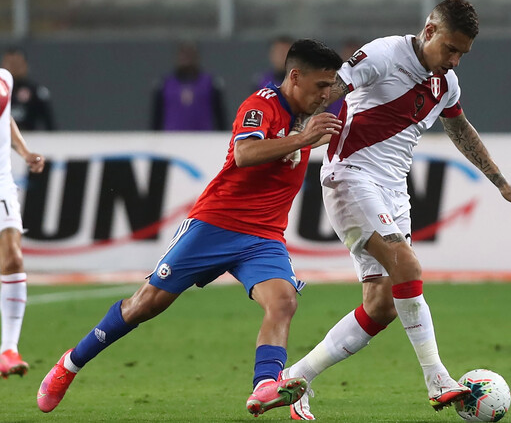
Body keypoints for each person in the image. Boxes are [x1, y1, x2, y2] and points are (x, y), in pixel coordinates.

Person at [36, 39, 344, 417]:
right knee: (143, 306)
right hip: (215, 225)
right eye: (321, 87)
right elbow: (245, 154)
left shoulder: (311, 106)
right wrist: (304, 138)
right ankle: (70, 364)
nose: (327, 95)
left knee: (283, 302)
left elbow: (356, 84)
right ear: (294, 76)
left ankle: (264, 386)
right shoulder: (261, 105)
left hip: (264, 237)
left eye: (331, 87)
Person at [283, 0, 511, 420]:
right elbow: (333, 88)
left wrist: (501, 183)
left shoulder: (447, 84)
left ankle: (298, 378)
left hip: (392, 191)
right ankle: (437, 377)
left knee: (382, 304)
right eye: (451, 50)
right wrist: (296, 135)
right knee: (408, 267)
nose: (455, 61)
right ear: (429, 31)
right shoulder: (384, 54)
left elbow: (459, 129)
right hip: (351, 175)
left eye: (463, 54)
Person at [0, 68, 46, 378]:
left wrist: (25, 151)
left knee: (14, 258)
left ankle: (8, 349)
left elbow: (6, 119)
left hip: (1, 182)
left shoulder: (4, 78)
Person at [151, 41, 228, 131]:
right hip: (171, 140)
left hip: (204, 140)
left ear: (197, 57)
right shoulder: (164, 84)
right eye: (184, 54)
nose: (187, 58)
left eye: (190, 54)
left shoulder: (211, 84)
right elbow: (156, 120)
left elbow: (220, 118)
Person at [1, 47, 55, 131]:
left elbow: (50, 125)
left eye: (17, 64)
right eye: (10, 64)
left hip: (28, 139)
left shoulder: (36, 92)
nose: (14, 68)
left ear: (25, 65)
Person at [325, 39, 363, 117]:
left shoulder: (366, 86)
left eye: (355, 55)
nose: (353, 60)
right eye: (350, 54)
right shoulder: (330, 83)